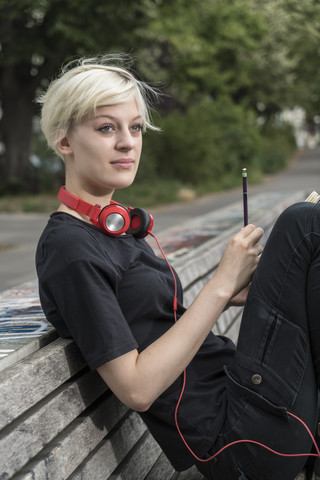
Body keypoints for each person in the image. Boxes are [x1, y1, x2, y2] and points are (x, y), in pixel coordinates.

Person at [36, 54, 320, 480]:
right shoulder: (70, 249)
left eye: (135, 127)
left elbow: (158, 330)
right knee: (303, 227)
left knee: (307, 248)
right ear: (64, 142)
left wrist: (237, 293)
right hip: (240, 440)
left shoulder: (113, 230)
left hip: (247, 404)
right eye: (106, 128)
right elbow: (137, 388)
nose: (128, 142)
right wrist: (219, 286)